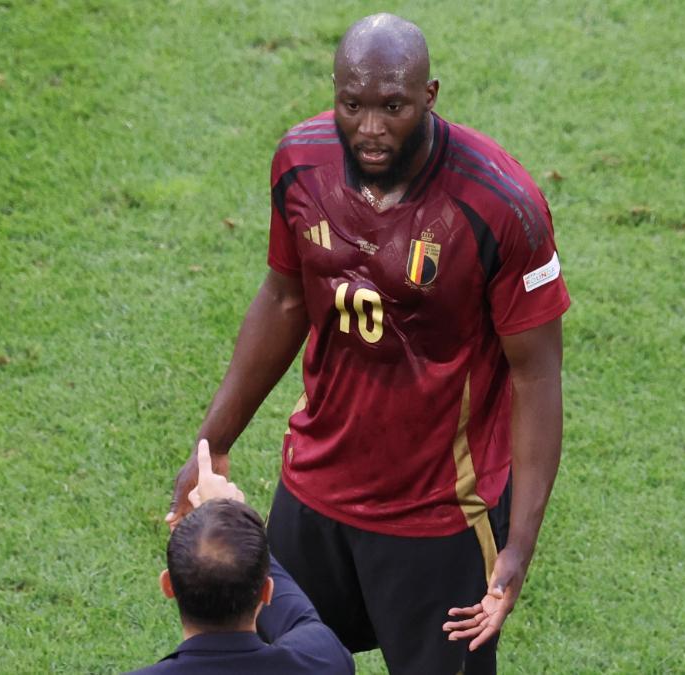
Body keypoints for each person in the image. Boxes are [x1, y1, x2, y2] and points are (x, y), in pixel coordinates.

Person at [166, 12, 570, 674]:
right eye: (352, 105)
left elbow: (536, 376)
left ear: (430, 96)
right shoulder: (300, 164)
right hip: (314, 491)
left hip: (437, 515)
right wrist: (212, 443)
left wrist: (517, 546)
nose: (372, 128)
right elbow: (285, 298)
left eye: (393, 106)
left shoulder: (501, 206)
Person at [130, 442, 354, 674]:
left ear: (168, 585)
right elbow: (301, 621)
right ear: (267, 590)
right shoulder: (322, 660)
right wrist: (230, 518)